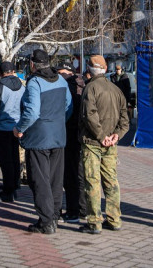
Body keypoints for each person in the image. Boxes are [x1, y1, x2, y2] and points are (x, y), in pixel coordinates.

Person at [14, 49, 73, 235]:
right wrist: (57, 122)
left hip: (39, 137)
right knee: (56, 180)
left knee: (40, 180)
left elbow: (32, 112)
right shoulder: (61, 80)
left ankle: (46, 221)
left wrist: (20, 129)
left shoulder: (35, 82)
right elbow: (68, 106)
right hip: (58, 135)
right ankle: (54, 216)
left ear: (32, 64)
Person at [78, 55, 129, 234]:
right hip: (109, 143)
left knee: (92, 181)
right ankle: (114, 219)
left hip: (93, 142)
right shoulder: (116, 90)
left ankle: (94, 222)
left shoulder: (90, 89)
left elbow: (88, 115)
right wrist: (116, 136)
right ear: (106, 69)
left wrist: (101, 136)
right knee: (111, 180)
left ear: (89, 70)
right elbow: (125, 118)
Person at [0, 61, 24, 203]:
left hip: (1, 127)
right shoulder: (21, 86)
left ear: (1, 73)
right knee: (14, 158)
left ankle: (8, 190)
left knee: (5, 160)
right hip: (16, 126)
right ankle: (14, 185)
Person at [56, 59, 86, 223]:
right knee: (80, 173)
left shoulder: (67, 86)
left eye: (59, 73)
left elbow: (65, 111)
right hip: (82, 135)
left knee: (70, 174)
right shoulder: (83, 84)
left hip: (69, 133)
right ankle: (82, 209)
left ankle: (74, 210)